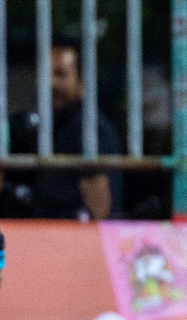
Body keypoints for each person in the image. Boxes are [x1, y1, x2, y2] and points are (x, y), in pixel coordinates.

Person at [0, 38, 123, 220]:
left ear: (82, 81)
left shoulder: (91, 130)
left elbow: (101, 212)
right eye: (44, 73)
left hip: (72, 242)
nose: (50, 83)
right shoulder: (33, 127)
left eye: (60, 74)